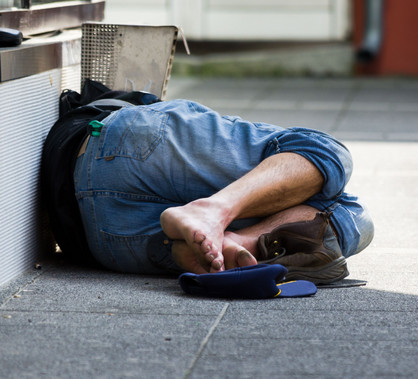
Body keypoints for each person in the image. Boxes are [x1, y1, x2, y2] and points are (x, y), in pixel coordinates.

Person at [45, 81, 374, 284]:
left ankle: (222, 236)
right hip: (102, 241)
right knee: (335, 178)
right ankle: (227, 227)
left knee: (345, 200)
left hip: (90, 208)